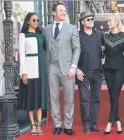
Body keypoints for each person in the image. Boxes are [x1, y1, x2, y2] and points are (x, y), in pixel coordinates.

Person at [43, 3, 81, 136]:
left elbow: (77, 48)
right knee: (53, 97)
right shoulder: (46, 29)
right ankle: (57, 125)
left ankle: (68, 125)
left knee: (69, 98)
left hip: (67, 67)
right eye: (61, 10)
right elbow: (43, 48)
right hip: (51, 67)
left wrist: (73, 66)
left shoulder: (72, 28)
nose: (64, 12)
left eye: (65, 11)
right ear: (54, 13)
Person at [18, 12, 49, 136]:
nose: (36, 22)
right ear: (28, 21)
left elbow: (47, 50)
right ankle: (32, 124)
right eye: (33, 20)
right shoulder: (22, 35)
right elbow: (22, 55)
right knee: (30, 97)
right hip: (29, 69)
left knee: (40, 97)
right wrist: (23, 72)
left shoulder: (41, 36)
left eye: (37, 20)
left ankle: (38, 124)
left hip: (41, 68)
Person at [76, 11, 104, 134]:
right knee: (84, 99)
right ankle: (86, 125)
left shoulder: (99, 34)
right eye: (88, 19)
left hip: (97, 71)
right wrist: (76, 69)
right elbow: (72, 53)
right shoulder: (78, 35)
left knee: (96, 99)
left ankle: (93, 124)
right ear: (82, 22)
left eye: (92, 19)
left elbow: (107, 48)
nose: (91, 21)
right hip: (83, 72)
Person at [102, 14, 124, 135]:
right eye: (107, 20)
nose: (108, 22)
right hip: (107, 68)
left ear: (117, 22)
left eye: (110, 20)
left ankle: (110, 121)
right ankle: (117, 121)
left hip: (120, 68)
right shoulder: (105, 36)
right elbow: (102, 52)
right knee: (112, 94)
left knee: (115, 94)